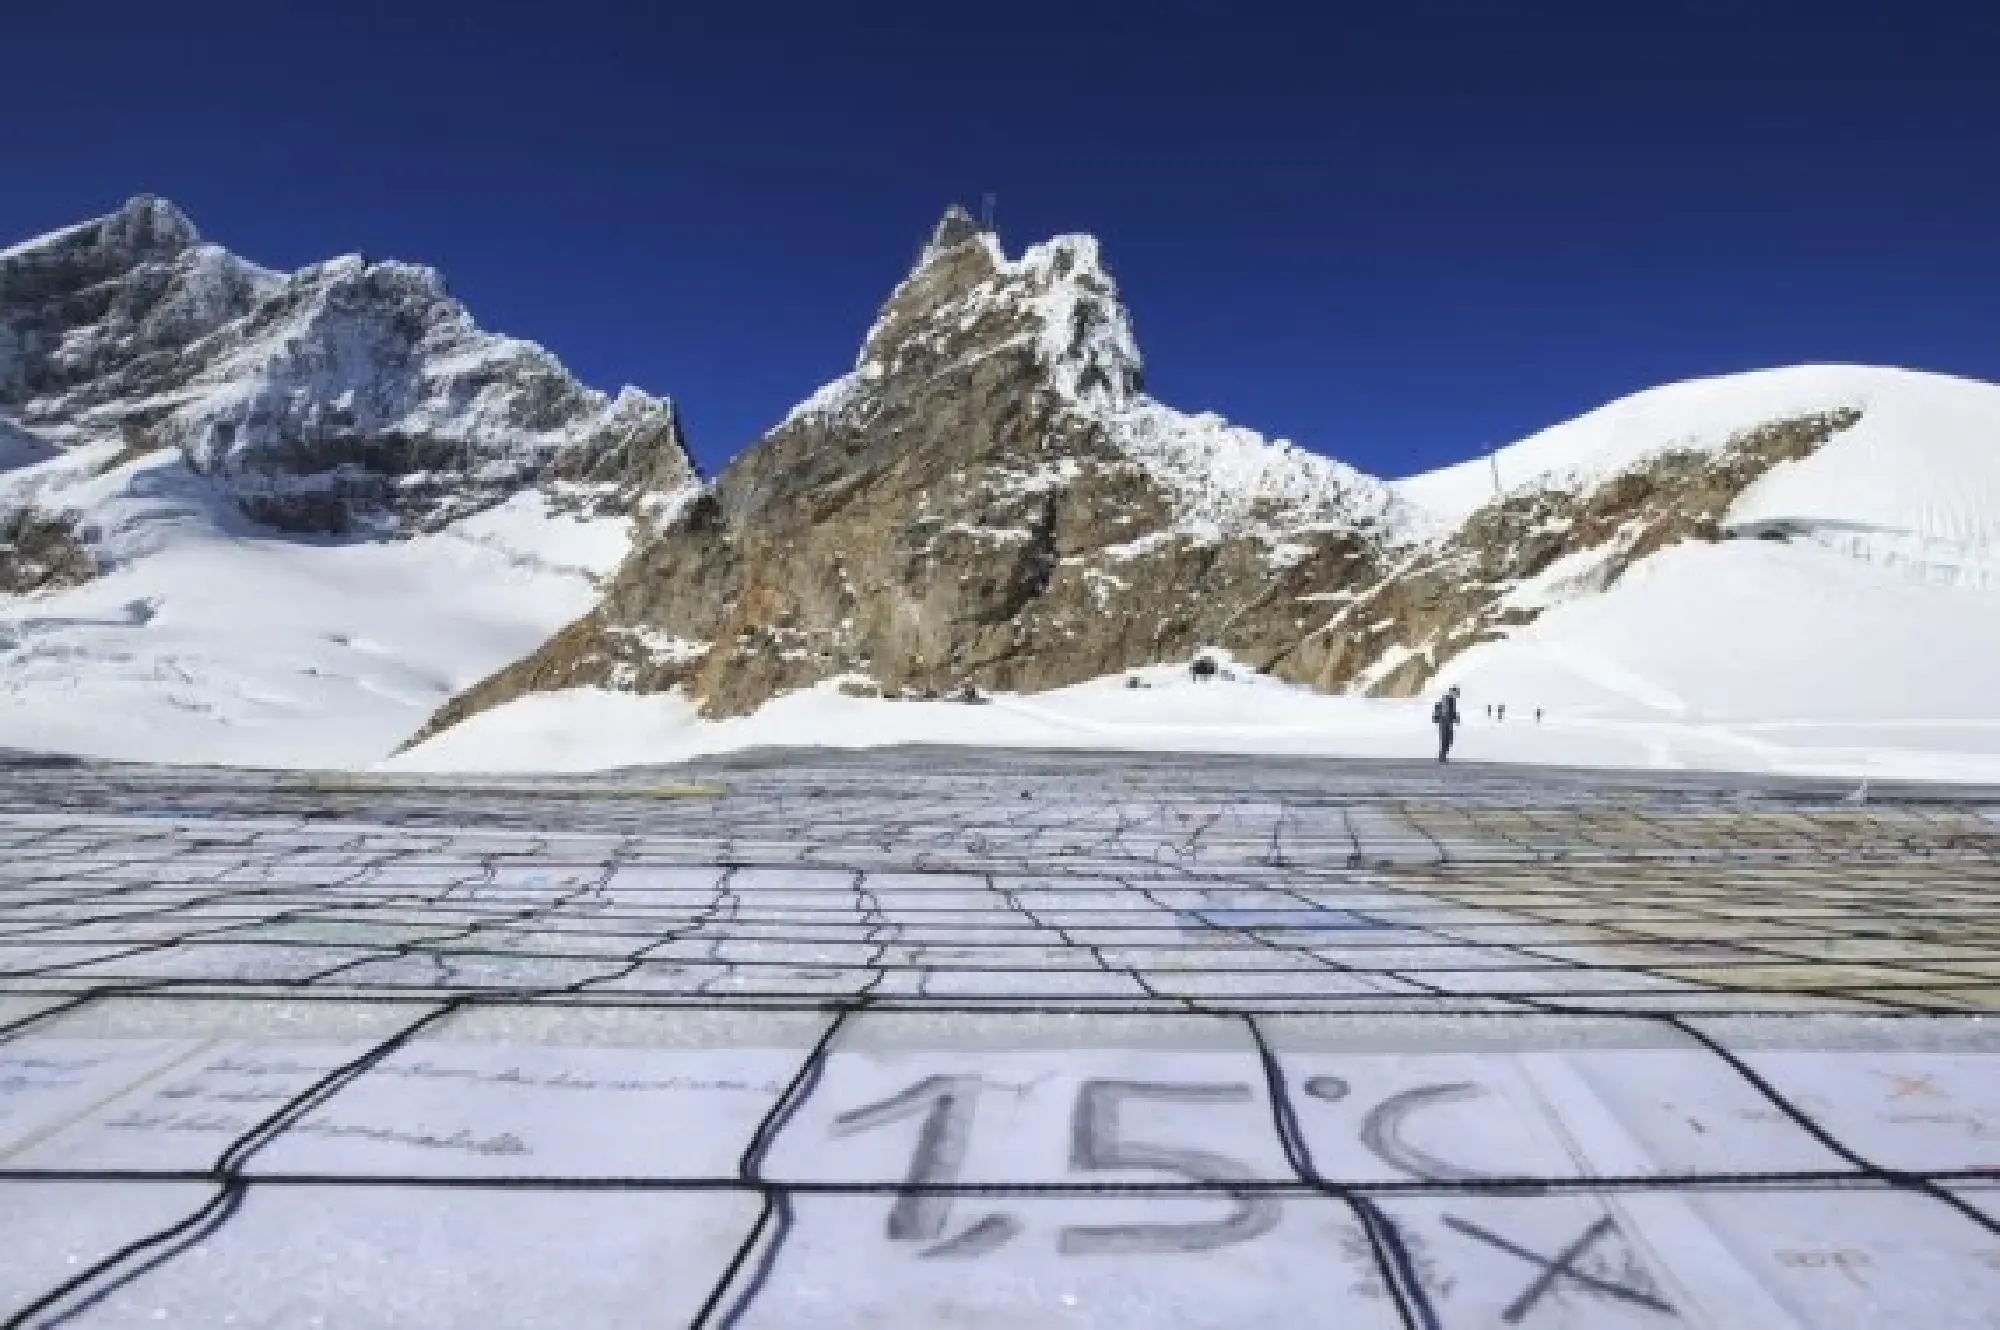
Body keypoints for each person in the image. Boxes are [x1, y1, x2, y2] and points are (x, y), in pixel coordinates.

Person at [1431, 685, 1462, 763]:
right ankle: (1442, 757)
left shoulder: (1451, 700)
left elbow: (1451, 711)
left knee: (1448, 739)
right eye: (1457, 693)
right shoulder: (1447, 699)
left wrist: (1455, 717)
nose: (1457, 695)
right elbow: (1446, 711)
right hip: (1445, 721)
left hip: (1447, 721)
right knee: (1446, 739)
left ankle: (1443, 756)